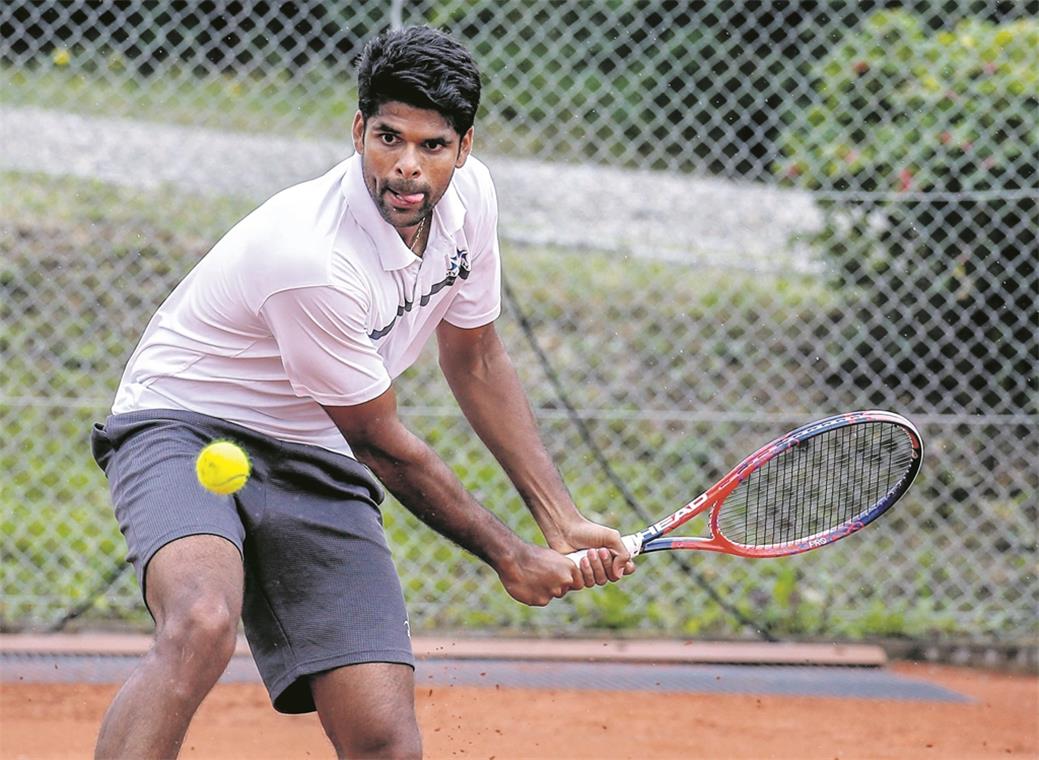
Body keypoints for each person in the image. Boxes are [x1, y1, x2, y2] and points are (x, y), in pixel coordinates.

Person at [90, 25, 634, 759]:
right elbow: (381, 443)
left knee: (383, 739)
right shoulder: (309, 258)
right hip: (184, 422)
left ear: (464, 147)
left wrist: (559, 520)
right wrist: (509, 555)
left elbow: (473, 358)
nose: (406, 168)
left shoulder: (471, 204)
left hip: (311, 440)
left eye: (432, 146)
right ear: (357, 131)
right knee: (200, 624)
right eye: (388, 137)